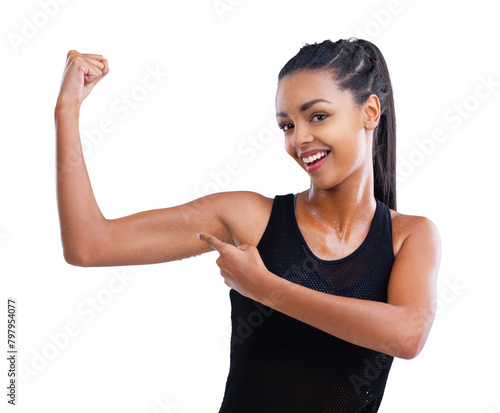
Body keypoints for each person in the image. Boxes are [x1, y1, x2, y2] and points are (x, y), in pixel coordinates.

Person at [54, 38, 441, 412]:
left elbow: (407, 335)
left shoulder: (409, 237)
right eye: (287, 125)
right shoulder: (250, 218)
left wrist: (266, 288)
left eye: (318, 116)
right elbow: (89, 245)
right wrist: (67, 110)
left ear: (370, 112)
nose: (300, 139)